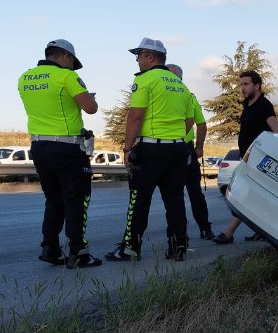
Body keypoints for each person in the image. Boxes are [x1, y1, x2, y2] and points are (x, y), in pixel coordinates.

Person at [105, 38, 194, 262]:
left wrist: (127, 148)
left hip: (152, 150)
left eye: (139, 55)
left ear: (150, 56)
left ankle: (130, 248)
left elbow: (135, 116)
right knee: (174, 200)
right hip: (178, 149)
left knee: (139, 199)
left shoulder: (146, 80)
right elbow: (189, 120)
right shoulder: (179, 85)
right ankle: (178, 246)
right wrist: (173, 137)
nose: (137, 60)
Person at [18, 39, 101, 269]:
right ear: (65, 56)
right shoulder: (67, 76)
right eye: (73, 62)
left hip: (39, 147)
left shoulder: (25, 77)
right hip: (67, 147)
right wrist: (87, 96)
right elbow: (90, 107)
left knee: (53, 199)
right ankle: (78, 253)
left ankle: (50, 248)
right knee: (74, 199)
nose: (73, 66)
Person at [213, 70, 278, 244]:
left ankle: (228, 232)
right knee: (255, 197)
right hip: (248, 158)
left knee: (246, 194)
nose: (242, 88)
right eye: (241, 84)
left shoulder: (264, 105)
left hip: (260, 160)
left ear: (257, 86)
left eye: (246, 84)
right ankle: (262, 232)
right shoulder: (247, 105)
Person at [167, 64, 214, 241]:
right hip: (175, 147)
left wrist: (199, 147)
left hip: (183, 148)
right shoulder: (187, 95)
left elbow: (201, 124)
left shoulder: (188, 96)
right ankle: (180, 235)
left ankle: (204, 228)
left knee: (193, 192)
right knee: (175, 194)